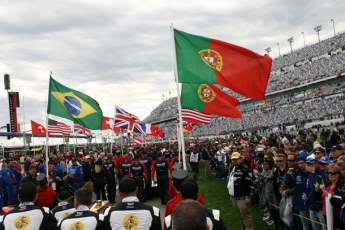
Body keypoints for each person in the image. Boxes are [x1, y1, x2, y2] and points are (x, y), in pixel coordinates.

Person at [228, 152, 254, 230]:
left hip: (242, 197)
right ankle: (244, 226)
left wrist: (248, 196)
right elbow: (230, 181)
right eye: (233, 159)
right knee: (239, 214)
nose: (234, 161)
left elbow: (249, 183)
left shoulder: (245, 169)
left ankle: (249, 228)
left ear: (240, 159)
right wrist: (230, 194)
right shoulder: (232, 168)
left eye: (236, 159)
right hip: (234, 196)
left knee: (246, 215)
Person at [315, 164, 345, 230]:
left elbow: (337, 204)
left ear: (338, 174)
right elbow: (317, 198)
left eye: (332, 173)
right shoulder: (328, 184)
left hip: (336, 216)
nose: (330, 175)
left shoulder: (342, 186)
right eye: (328, 173)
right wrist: (317, 190)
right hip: (325, 214)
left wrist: (324, 191)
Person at [286, 151, 311, 230]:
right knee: (305, 225)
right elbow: (290, 185)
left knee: (315, 225)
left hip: (312, 202)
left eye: (303, 163)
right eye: (299, 163)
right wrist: (289, 176)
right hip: (300, 202)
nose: (301, 165)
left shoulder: (312, 173)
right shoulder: (296, 173)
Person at [303, 155, 326, 230]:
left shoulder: (321, 173)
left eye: (311, 164)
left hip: (320, 207)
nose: (309, 166)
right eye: (308, 164)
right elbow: (307, 190)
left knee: (324, 227)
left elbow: (322, 185)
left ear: (316, 164)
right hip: (311, 207)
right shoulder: (308, 176)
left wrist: (313, 173)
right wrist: (304, 196)